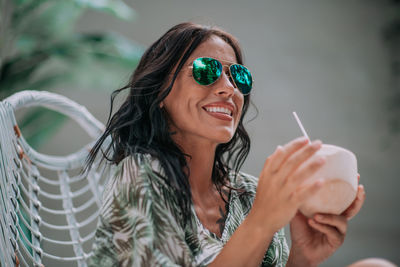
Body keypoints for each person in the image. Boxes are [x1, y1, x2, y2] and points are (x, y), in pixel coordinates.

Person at [85, 22, 367, 267]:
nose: (229, 88)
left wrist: (302, 258)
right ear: (161, 92)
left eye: (238, 77)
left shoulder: (249, 194)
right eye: (206, 70)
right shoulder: (142, 174)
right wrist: (261, 222)